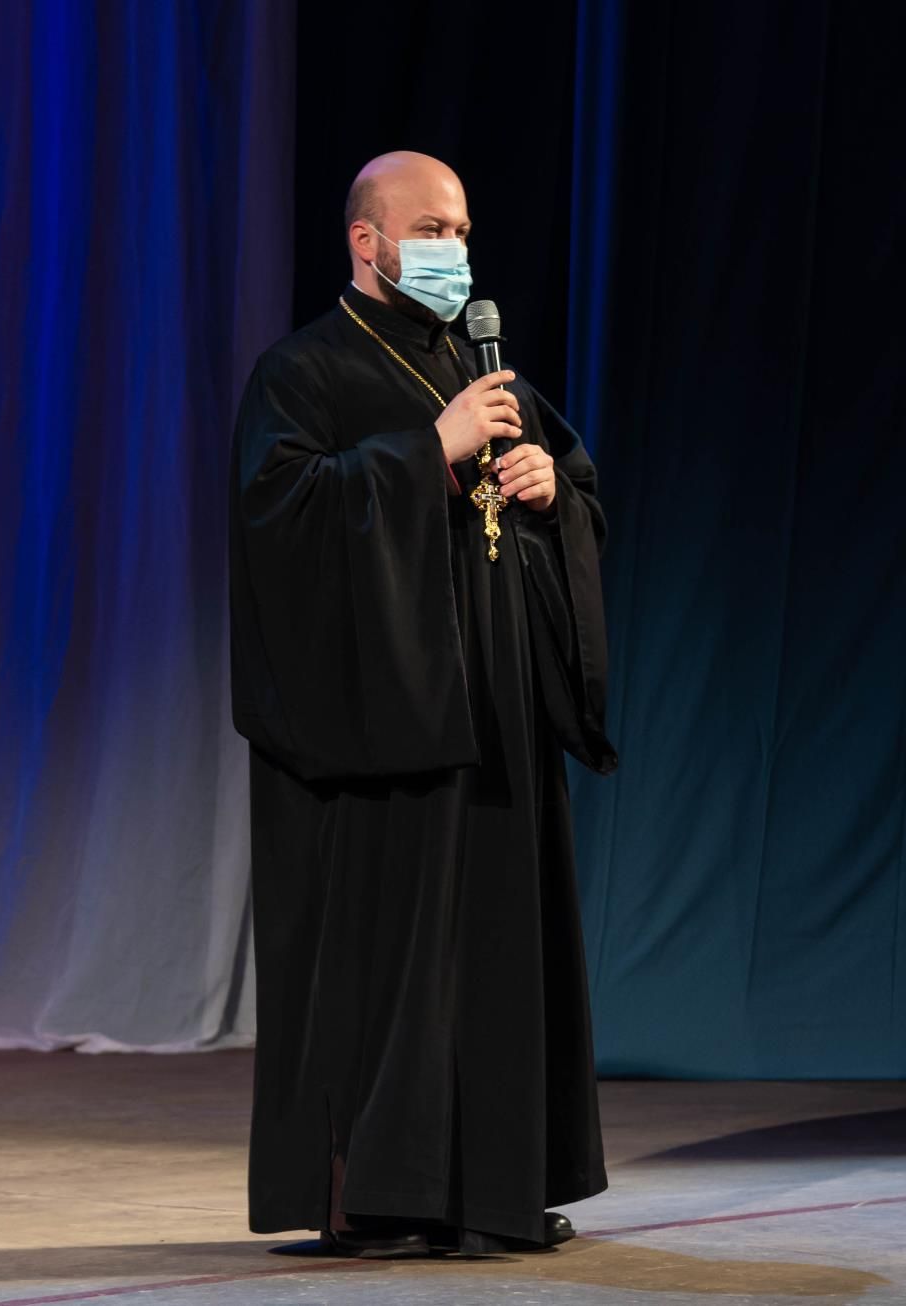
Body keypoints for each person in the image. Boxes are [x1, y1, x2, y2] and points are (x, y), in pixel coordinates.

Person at [227, 150, 619, 1258]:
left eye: (462, 232)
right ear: (369, 242)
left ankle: (493, 1190)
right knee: (385, 973)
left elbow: (578, 498)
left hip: (492, 718)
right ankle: (376, 1198)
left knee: (495, 959)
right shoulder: (301, 372)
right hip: (375, 735)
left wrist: (550, 493)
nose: (457, 253)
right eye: (434, 230)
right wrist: (425, 456)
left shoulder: (481, 370)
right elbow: (278, 525)